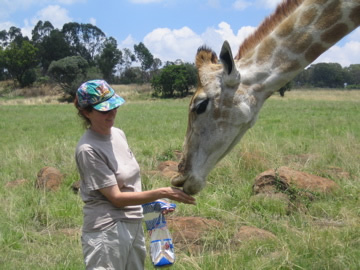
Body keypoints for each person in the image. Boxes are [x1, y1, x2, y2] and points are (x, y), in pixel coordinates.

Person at [74, 79, 196, 270]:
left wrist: (150, 204)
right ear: (86, 112)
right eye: (104, 110)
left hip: (134, 222)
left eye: (114, 107)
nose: (112, 113)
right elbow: (116, 198)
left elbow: (128, 185)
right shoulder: (88, 149)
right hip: (107, 230)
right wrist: (162, 192)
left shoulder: (118, 134)